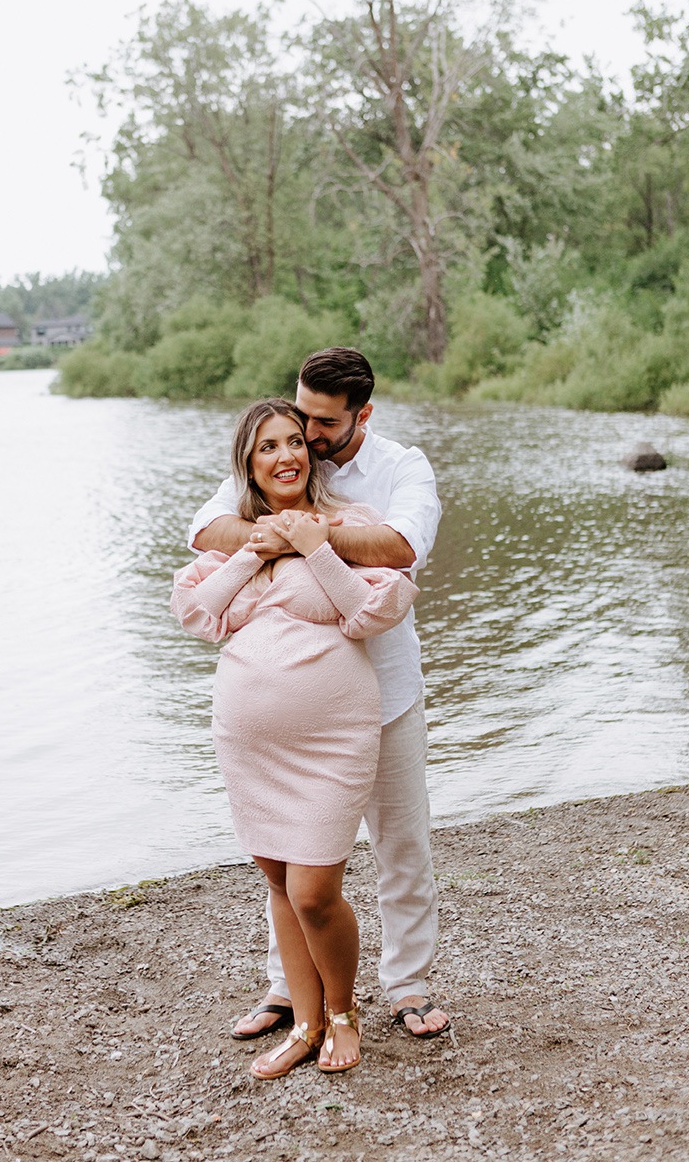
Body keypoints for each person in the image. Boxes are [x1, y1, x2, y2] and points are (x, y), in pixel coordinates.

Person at [189, 348, 450, 1042]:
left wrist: (317, 536)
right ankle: (286, 989)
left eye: (321, 424)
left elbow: (399, 548)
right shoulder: (281, 454)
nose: (304, 435)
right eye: (298, 414)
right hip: (289, 715)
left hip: (384, 694)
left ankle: (408, 987)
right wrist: (279, 533)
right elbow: (205, 529)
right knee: (286, 852)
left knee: (400, 845)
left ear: (361, 415)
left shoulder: (399, 468)